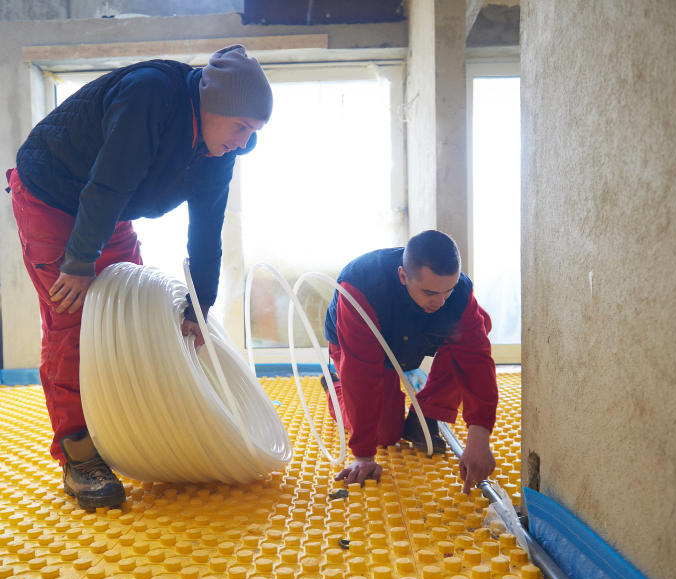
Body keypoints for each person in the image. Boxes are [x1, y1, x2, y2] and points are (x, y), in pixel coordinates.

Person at [6, 44, 272, 510]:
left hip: (106, 205)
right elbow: (108, 181)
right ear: (213, 107)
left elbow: (208, 227)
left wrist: (198, 306)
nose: (246, 141)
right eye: (242, 127)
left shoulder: (219, 150)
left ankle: (122, 425)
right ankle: (79, 454)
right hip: (54, 194)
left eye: (254, 132)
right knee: (72, 319)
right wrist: (78, 262)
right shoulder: (150, 95)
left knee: (125, 313)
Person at [323, 230, 498, 493]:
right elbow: (361, 375)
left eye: (447, 291)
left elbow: (476, 361)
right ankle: (336, 386)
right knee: (385, 435)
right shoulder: (359, 289)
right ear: (403, 276)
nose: (440, 302)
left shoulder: (456, 294)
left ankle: (427, 413)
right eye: (429, 292)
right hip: (362, 352)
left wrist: (480, 435)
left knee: (478, 324)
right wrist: (363, 456)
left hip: (408, 340)